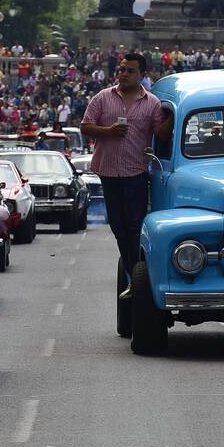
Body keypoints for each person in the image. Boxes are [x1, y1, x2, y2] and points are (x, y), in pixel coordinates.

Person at [81, 52, 173, 299]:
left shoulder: (152, 102)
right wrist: (108, 131)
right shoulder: (103, 97)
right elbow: (86, 126)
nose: (123, 74)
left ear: (142, 75)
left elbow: (161, 134)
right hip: (108, 171)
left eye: (130, 71)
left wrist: (173, 117)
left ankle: (137, 277)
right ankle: (134, 273)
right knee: (118, 226)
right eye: (121, 69)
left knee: (135, 226)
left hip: (136, 172)